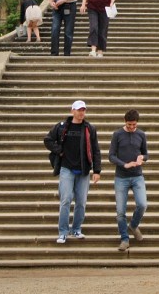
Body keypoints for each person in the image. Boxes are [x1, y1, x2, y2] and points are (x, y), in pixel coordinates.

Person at [44, 100, 101, 244]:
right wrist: (59, 151)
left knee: (81, 202)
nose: (81, 112)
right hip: (66, 169)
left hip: (83, 170)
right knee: (66, 200)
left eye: (83, 110)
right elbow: (48, 140)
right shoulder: (62, 127)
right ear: (72, 111)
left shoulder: (89, 128)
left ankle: (76, 229)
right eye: (79, 110)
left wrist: (97, 170)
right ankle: (63, 232)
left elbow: (95, 150)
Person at [108, 109, 149, 251]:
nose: (132, 127)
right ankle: (124, 238)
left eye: (134, 125)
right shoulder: (117, 134)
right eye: (129, 124)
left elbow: (146, 154)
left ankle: (133, 225)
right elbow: (111, 156)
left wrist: (142, 158)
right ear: (125, 122)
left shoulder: (141, 134)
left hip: (137, 176)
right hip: (121, 177)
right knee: (120, 211)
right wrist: (124, 164)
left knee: (142, 204)